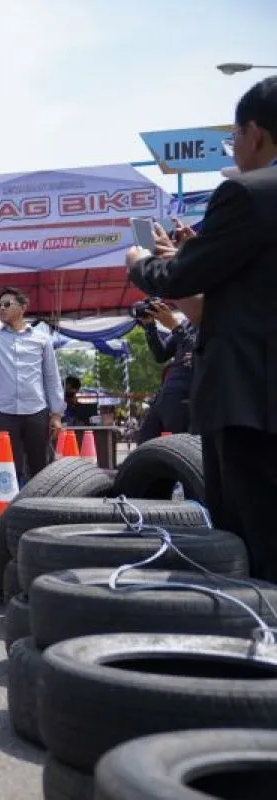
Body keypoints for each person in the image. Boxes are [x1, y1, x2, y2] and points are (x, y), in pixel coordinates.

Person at [126, 75, 277, 582]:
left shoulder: (248, 193)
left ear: (255, 132)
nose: (234, 147)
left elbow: (179, 279)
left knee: (250, 537)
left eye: (234, 136)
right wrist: (194, 255)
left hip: (250, 401)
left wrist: (141, 264)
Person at [0, 287, 64, 484]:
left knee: (40, 467)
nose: (1, 308)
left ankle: (40, 502)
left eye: (6, 304)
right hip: (3, 413)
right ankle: (12, 503)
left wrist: (57, 414)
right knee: (8, 469)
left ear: (23, 308)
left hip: (36, 411)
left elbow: (51, 377)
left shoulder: (42, 339)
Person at [137, 300, 196, 441]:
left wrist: (176, 327)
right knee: (145, 442)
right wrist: (150, 326)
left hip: (187, 397)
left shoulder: (216, 323)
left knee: (182, 445)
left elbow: (202, 353)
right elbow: (161, 355)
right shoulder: (188, 324)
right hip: (165, 395)